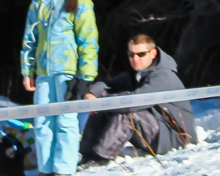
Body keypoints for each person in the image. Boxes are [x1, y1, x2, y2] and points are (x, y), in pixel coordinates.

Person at [20, 0, 98, 176]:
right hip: (44, 71)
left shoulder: (80, 1)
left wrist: (86, 77)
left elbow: (88, 41)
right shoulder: (39, 1)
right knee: (42, 120)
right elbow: (30, 38)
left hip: (68, 71)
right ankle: (46, 169)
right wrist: (27, 69)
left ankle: (64, 169)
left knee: (65, 119)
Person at [79, 33, 195, 165]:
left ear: (153, 53)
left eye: (141, 54)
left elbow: (134, 102)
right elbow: (108, 85)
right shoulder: (137, 74)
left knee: (127, 113)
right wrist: (92, 93)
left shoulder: (164, 77)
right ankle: (87, 156)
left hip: (175, 137)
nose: (135, 59)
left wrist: (101, 103)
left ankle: (100, 158)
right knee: (104, 105)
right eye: (131, 54)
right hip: (157, 131)